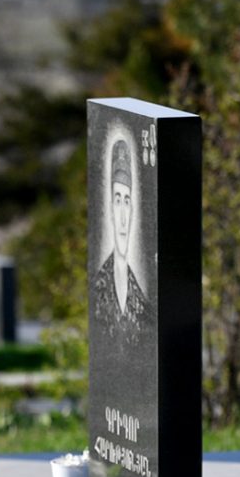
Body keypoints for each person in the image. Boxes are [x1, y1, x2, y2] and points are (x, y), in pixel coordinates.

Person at [90, 137, 150, 335]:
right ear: (110, 209)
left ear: (132, 209)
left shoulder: (143, 303)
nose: (123, 218)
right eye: (117, 201)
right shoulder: (98, 286)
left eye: (126, 201)